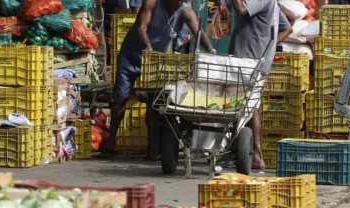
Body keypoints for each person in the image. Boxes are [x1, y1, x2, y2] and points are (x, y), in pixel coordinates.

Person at [107, 0, 214, 154]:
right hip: (132, 55)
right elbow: (141, 28)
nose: (178, 4)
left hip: (155, 60)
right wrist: (148, 47)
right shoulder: (152, 3)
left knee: (154, 104)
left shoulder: (184, 11)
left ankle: (153, 150)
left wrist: (210, 50)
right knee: (120, 99)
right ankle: (111, 141)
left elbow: (199, 32)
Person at [226, 0, 292, 170]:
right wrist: (268, 45)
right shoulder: (271, 4)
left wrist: (267, 45)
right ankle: (242, 151)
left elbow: (241, 9)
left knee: (250, 105)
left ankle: (256, 155)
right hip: (252, 59)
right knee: (246, 103)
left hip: (250, 60)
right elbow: (287, 27)